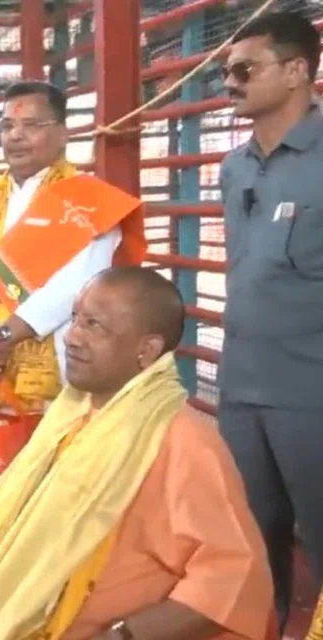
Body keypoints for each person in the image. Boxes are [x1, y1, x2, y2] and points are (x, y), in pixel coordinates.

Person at [0, 267, 274, 640]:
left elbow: (234, 576)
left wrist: (124, 636)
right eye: (75, 319)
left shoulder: (184, 440)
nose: (72, 336)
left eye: (94, 325)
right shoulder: (71, 415)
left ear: (146, 350)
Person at [0, 80, 144, 515]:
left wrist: (1, 338)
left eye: (31, 125)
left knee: (50, 499)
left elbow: (80, 284)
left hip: (57, 367)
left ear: (63, 132)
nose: (16, 136)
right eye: (7, 126)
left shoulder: (88, 201)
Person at [218, 11, 323, 628]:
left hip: (312, 392)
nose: (230, 82)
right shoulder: (235, 167)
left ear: (296, 71)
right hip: (242, 391)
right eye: (227, 71)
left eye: (244, 69)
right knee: (251, 545)